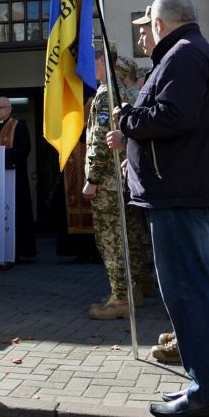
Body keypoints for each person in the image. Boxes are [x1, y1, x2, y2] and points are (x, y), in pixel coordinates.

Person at [108, 0, 209, 417]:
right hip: (185, 191)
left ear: (160, 23)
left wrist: (127, 118)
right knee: (196, 291)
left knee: (187, 293)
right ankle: (208, 385)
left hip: (180, 194)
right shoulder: (192, 52)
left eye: (147, 26)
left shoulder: (182, 55)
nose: (144, 34)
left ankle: (206, 392)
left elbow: (173, 117)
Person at [84, 39, 155, 319]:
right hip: (125, 178)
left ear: (102, 61)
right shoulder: (125, 89)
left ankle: (121, 299)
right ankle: (130, 290)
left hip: (109, 181)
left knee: (111, 240)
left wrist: (92, 177)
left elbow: (102, 141)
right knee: (127, 237)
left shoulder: (106, 93)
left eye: (91, 60)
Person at [0, 96, 35, 260]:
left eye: (0, 108)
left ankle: (19, 251)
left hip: (15, 177)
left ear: (9, 109)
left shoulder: (19, 126)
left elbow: (25, 149)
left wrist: (2, 155)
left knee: (17, 211)